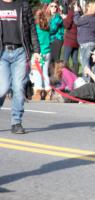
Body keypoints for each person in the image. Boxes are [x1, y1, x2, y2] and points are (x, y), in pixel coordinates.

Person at [0, 0, 40, 134]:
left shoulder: (23, 5)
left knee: (18, 88)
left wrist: (37, 51)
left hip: (20, 53)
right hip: (2, 53)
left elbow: (32, 29)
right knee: (2, 88)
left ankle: (16, 122)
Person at [73, 0, 95, 82]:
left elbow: (77, 21)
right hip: (92, 41)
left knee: (84, 62)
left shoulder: (89, 18)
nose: (86, 7)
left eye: (88, 6)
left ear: (92, 8)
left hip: (86, 43)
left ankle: (86, 81)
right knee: (91, 61)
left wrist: (76, 12)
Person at [30, 8, 52, 101]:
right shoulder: (47, 27)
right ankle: (48, 92)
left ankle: (38, 92)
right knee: (45, 72)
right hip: (47, 52)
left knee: (36, 72)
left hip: (39, 53)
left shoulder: (36, 28)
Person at [62, 0, 80, 75]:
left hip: (69, 40)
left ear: (70, 6)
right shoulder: (79, 14)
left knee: (65, 59)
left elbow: (67, 25)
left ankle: (65, 76)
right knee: (75, 59)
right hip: (76, 40)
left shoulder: (71, 13)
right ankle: (75, 74)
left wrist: (64, 18)